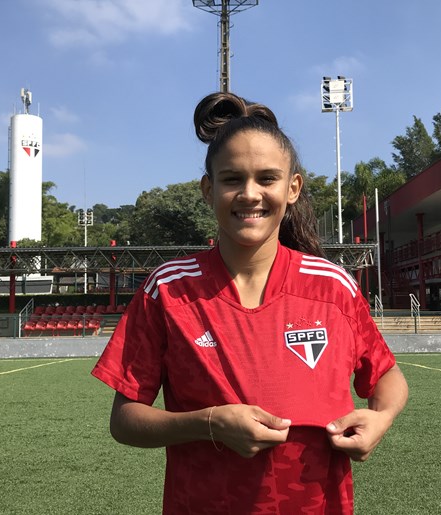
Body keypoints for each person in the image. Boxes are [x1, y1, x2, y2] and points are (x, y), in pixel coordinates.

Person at [91, 91, 408, 514]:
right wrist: (208, 423)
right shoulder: (167, 290)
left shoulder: (333, 287)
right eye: (232, 179)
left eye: (267, 178)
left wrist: (381, 418)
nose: (249, 193)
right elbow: (125, 420)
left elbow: (387, 378)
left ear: (292, 188)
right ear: (208, 189)